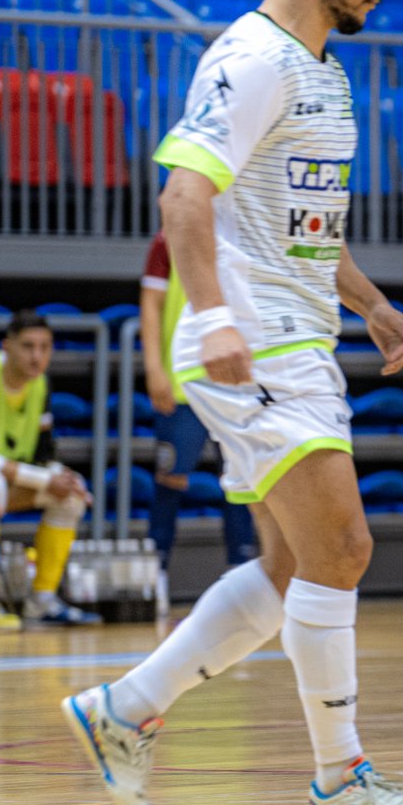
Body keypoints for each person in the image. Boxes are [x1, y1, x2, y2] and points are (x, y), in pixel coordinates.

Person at [62, 0, 403, 805]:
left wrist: (372, 305)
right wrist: (218, 317)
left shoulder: (326, 73)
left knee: (290, 572)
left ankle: (125, 709)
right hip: (255, 338)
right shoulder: (250, 59)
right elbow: (184, 199)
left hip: (299, 330)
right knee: (344, 548)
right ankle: (341, 778)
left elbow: (303, 231)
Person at [0, 310, 99, 629]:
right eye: (28, 346)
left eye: (45, 347)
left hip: (8, 479)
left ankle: (42, 601)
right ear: (6, 347)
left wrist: (65, 478)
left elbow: (42, 454)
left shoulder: (40, 385)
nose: (37, 356)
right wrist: (41, 478)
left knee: (70, 495)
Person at [140, 231, 261, 597]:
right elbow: (151, 303)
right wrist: (153, 368)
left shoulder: (245, 234)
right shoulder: (168, 239)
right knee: (170, 482)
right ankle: (155, 574)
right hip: (183, 384)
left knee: (241, 483)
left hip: (235, 384)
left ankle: (243, 572)